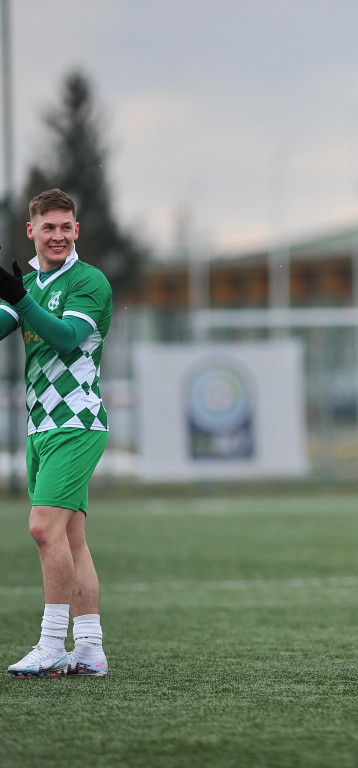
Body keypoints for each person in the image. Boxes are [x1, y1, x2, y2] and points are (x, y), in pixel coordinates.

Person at [4, 188, 112, 678]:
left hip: (76, 422)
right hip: (41, 425)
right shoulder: (29, 283)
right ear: (31, 230)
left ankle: (50, 645)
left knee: (42, 528)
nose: (58, 236)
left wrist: (20, 297)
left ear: (76, 230)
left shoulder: (88, 280)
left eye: (66, 227)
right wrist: (18, 296)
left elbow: (67, 338)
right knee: (71, 537)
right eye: (48, 227)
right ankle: (89, 649)